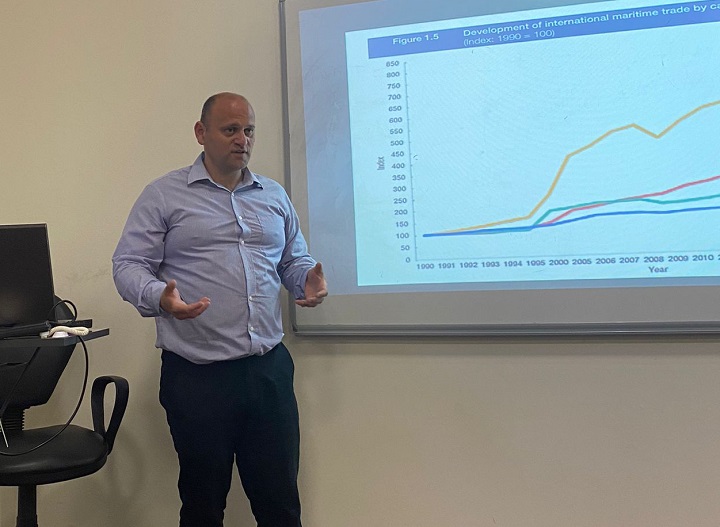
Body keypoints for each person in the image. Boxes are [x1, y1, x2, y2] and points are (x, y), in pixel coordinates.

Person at [112, 92, 327, 527]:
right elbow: (128, 264)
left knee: (281, 503)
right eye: (230, 130)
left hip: (267, 371)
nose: (242, 140)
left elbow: (291, 260)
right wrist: (159, 296)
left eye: (248, 131)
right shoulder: (164, 195)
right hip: (198, 377)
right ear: (201, 133)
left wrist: (305, 278)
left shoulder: (273, 194)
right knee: (203, 505)